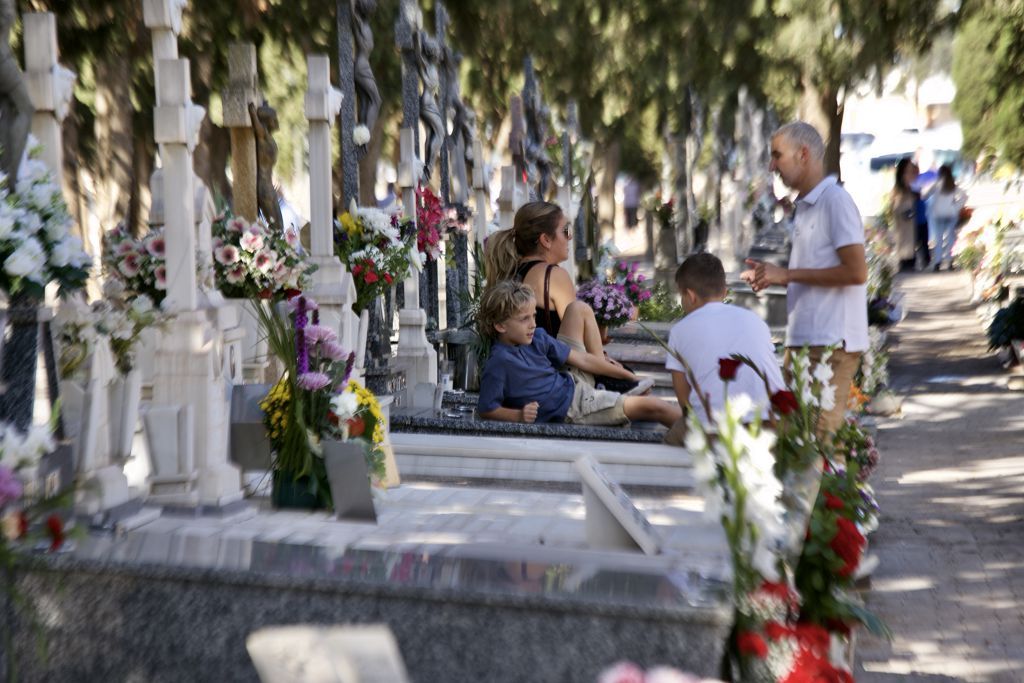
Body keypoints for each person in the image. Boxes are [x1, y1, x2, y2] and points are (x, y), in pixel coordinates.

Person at [742, 121, 868, 437]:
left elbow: (856, 272)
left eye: (777, 155)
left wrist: (786, 275)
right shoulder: (807, 205)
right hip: (803, 342)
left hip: (831, 343)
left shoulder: (834, 201)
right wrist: (773, 276)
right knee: (794, 442)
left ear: (803, 154)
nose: (772, 165)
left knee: (820, 442)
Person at [475, 280, 680, 427]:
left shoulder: (537, 337)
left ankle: (616, 386)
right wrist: (518, 415)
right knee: (655, 407)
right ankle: (704, 443)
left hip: (573, 384)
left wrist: (630, 377)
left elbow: (581, 358)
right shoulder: (499, 362)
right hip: (575, 409)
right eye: (523, 319)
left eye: (533, 316)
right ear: (500, 325)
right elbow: (486, 409)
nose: (532, 324)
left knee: (578, 309)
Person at [485, 201, 641, 393]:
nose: (570, 237)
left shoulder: (510, 271)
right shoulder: (553, 275)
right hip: (556, 374)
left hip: (522, 371)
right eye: (565, 231)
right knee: (633, 382)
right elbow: (581, 343)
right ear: (546, 240)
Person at [666, 253, 785, 424]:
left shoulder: (679, 331)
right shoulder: (755, 320)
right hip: (773, 424)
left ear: (690, 296)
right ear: (724, 292)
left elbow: (686, 405)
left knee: (671, 437)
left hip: (716, 429)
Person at [924, 164, 967, 271]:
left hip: (938, 214)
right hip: (951, 214)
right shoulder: (952, 185)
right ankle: (950, 261)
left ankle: (937, 262)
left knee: (938, 239)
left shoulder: (936, 185)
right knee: (950, 238)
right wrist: (956, 207)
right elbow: (964, 196)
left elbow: (925, 195)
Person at [890, 157, 919, 272]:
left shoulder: (907, 188)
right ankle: (905, 260)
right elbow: (896, 205)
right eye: (909, 171)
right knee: (903, 236)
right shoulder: (900, 189)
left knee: (908, 236)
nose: (911, 174)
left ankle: (908, 259)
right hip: (904, 217)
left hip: (908, 217)